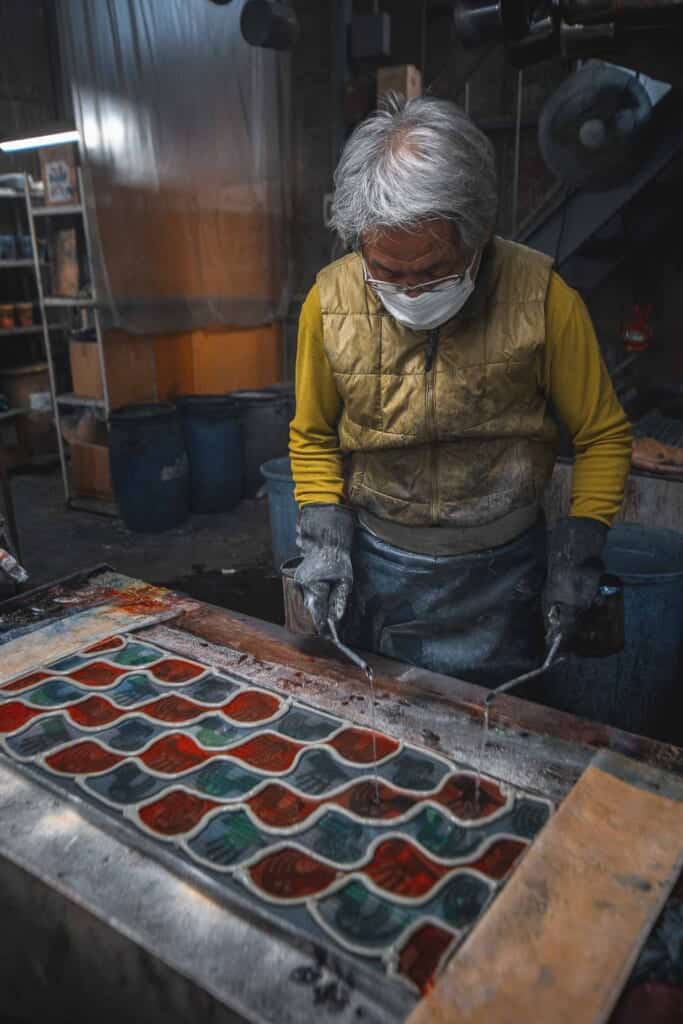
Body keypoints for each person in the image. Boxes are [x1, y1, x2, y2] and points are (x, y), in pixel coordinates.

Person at [289, 94, 631, 686]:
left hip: (508, 573)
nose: (411, 291)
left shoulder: (545, 300)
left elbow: (602, 436)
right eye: (387, 273)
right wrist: (323, 537)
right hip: (379, 567)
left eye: (432, 270)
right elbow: (314, 434)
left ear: (476, 238)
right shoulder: (329, 303)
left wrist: (579, 548)